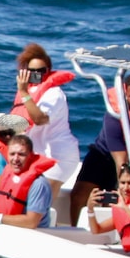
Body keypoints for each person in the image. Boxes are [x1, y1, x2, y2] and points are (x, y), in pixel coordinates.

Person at [69, 74, 130, 224]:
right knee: (79, 195)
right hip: (105, 155)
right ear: (125, 95)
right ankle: (75, 229)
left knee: (123, 198)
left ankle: (118, 229)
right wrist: (122, 189)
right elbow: (120, 161)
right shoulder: (114, 116)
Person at [10, 43, 80, 191]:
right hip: (39, 155)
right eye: (32, 71)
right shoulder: (30, 91)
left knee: (40, 202)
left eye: (41, 71)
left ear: (48, 71)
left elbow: (40, 119)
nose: (36, 74)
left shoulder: (54, 94)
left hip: (59, 156)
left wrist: (24, 93)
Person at [0, 134, 54, 237]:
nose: (16, 159)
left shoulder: (39, 184)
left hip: (34, 236)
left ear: (31, 155)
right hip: (12, 232)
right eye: (12, 154)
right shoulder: (9, 174)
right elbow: (0, 205)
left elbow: (32, 221)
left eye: (21, 154)